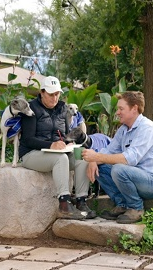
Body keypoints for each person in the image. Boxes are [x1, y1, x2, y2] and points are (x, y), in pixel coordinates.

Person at [82, 91, 153, 224]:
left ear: (134, 108)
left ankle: (136, 208)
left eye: (121, 108)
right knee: (100, 167)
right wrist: (94, 160)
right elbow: (109, 151)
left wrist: (97, 156)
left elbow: (129, 159)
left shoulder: (147, 128)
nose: (117, 112)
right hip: (135, 177)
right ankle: (122, 204)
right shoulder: (123, 130)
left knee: (118, 169)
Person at [19, 76, 96, 220]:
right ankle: (64, 205)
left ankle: (81, 202)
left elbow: (65, 134)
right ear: (42, 92)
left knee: (82, 155)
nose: (55, 98)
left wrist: (69, 143)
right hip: (31, 154)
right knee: (60, 158)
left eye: (57, 94)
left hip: (56, 152)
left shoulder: (62, 108)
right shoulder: (31, 109)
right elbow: (27, 139)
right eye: (50, 94)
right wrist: (51, 145)